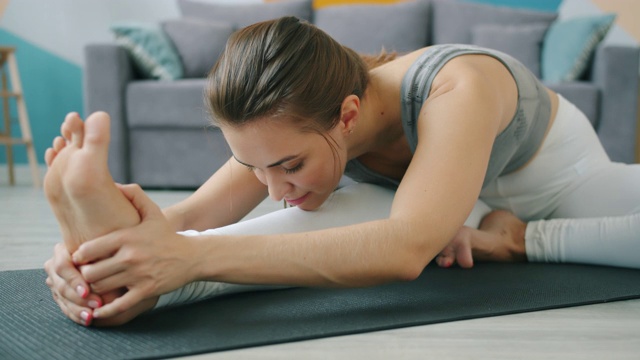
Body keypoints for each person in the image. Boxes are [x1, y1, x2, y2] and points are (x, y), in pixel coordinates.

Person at [43, 16, 640, 327]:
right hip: (449, 209)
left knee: (383, 232)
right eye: (255, 168)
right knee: (274, 234)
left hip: (565, 184)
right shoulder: (292, 121)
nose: (273, 189)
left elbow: (406, 249)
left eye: (289, 165)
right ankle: (131, 288)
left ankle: (523, 241)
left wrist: (189, 254)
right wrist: (103, 256)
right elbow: (188, 219)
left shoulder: (459, 86)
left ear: (348, 115)